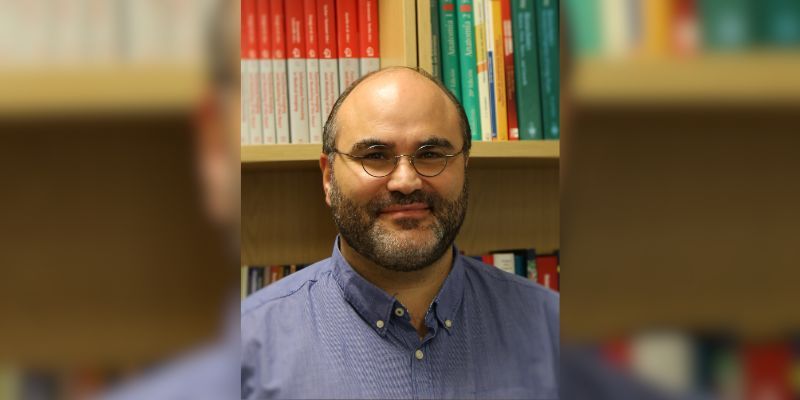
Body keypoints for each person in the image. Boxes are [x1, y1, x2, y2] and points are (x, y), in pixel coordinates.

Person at [241, 66, 559, 399]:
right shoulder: (248, 349)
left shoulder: (554, 330)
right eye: (375, 156)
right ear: (328, 177)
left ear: (464, 167)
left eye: (431, 155)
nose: (406, 182)